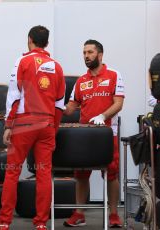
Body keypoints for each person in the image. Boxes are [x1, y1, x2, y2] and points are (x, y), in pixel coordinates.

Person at [0, 25, 65, 230]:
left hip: (24, 123)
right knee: (43, 173)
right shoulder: (57, 66)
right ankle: (41, 223)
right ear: (47, 43)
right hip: (47, 124)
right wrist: (53, 130)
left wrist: (8, 125)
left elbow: (14, 96)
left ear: (29, 39)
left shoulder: (22, 61)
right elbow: (60, 104)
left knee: (12, 171)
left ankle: (4, 221)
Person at [63, 39, 124, 228]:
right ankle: (79, 214)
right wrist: (54, 108)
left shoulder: (114, 75)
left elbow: (118, 103)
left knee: (111, 174)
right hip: (84, 136)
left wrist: (103, 116)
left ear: (100, 54)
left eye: (90, 52)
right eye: (84, 53)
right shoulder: (81, 81)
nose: (86, 56)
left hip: (107, 134)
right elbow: (71, 107)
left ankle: (113, 215)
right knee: (81, 175)